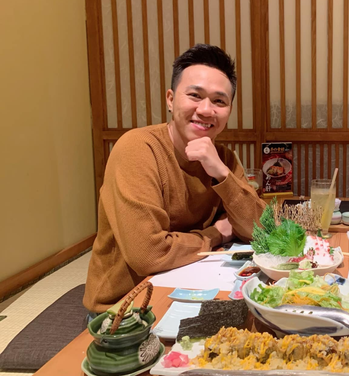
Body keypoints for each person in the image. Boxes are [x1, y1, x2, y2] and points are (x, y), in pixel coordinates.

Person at [84, 44, 266, 313]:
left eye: (219, 101)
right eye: (194, 95)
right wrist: (217, 233)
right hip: (126, 309)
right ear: (170, 99)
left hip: (194, 290)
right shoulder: (138, 149)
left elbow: (260, 231)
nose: (206, 110)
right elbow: (149, 254)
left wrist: (222, 174)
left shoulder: (222, 159)